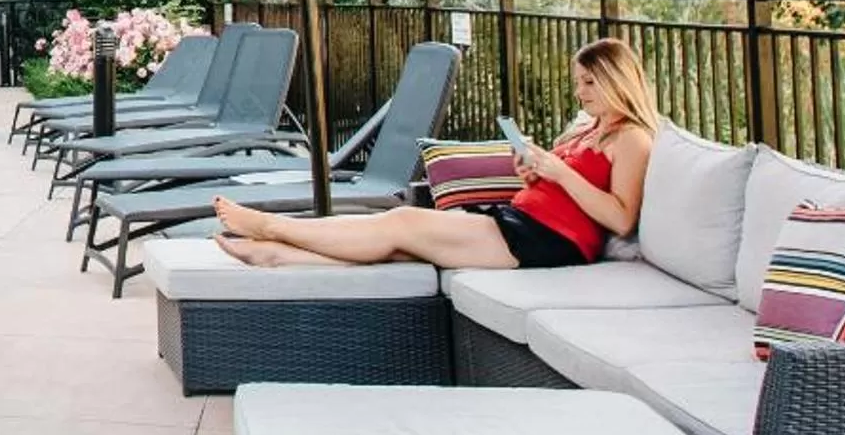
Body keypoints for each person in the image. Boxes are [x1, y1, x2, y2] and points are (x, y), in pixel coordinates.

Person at [211, 36, 658, 271]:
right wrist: (535, 174)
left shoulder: (632, 138)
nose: (579, 92)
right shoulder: (591, 129)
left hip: (546, 241)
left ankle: (274, 226)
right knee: (395, 246)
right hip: (519, 219)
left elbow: (620, 218)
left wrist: (559, 172)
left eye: (589, 82)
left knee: (401, 222)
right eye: (578, 82)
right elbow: (563, 188)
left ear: (617, 80)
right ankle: (276, 255)